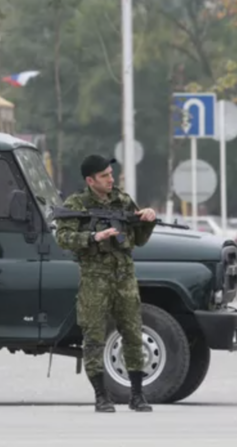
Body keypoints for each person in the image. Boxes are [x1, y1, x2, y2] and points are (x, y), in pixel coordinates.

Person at [53, 154, 157, 413]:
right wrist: (92, 237)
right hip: (94, 279)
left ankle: (137, 395)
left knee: (133, 334)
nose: (111, 179)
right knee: (94, 338)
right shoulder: (76, 204)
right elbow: (62, 238)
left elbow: (139, 239)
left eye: (111, 174)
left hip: (124, 277)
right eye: (104, 176)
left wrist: (148, 221)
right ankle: (101, 395)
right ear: (90, 180)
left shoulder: (122, 200)